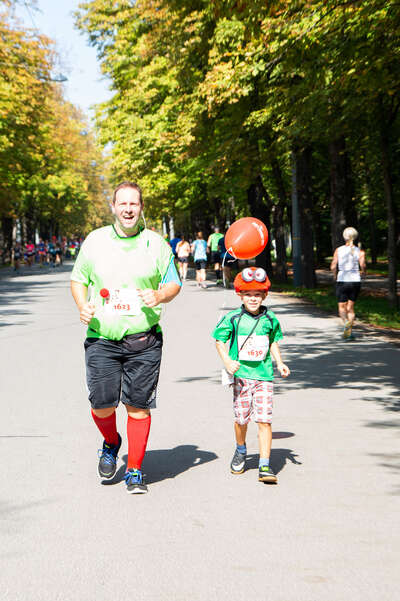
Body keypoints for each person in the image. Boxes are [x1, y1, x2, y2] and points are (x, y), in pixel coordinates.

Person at [70, 181, 181, 494]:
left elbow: (174, 283)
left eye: (134, 204)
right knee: (102, 404)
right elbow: (78, 280)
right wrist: (82, 305)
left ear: (141, 207)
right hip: (102, 337)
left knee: (137, 406)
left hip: (144, 340)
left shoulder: (156, 244)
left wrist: (160, 294)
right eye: (123, 204)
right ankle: (111, 441)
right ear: (114, 207)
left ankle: (134, 470)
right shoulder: (95, 241)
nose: (129, 209)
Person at [212, 266, 290, 484]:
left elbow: (273, 341)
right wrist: (227, 361)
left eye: (257, 294)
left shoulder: (270, 318)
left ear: (265, 295)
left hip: (264, 375)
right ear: (240, 294)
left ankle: (265, 464)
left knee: (264, 420)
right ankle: (240, 449)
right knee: (241, 419)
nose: (253, 299)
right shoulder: (234, 318)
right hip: (242, 376)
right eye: (248, 294)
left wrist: (280, 362)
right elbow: (219, 340)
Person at [330, 227, 366, 340]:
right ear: (355, 237)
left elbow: (333, 265)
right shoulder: (360, 251)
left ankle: (346, 325)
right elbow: (363, 266)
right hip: (355, 281)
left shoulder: (338, 250)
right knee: (350, 308)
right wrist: (363, 272)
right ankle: (349, 329)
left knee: (341, 306)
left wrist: (335, 275)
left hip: (342, 280)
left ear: (344, 236)